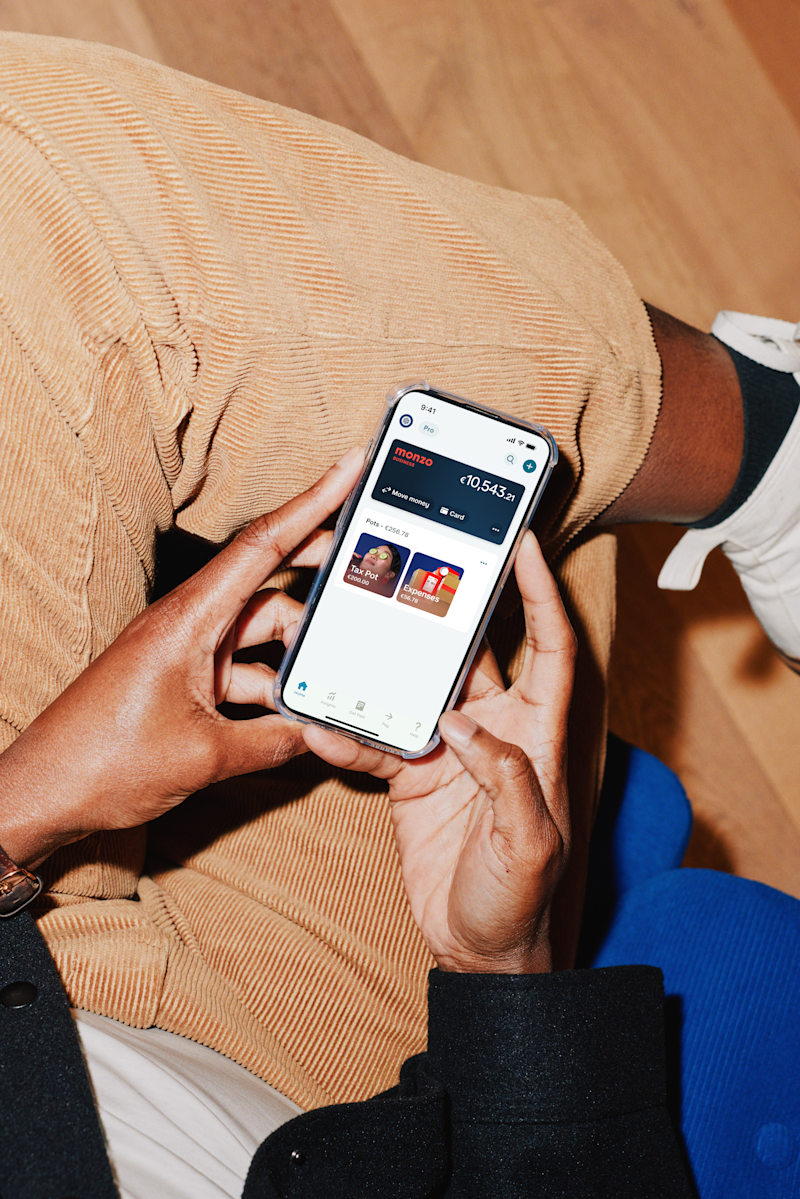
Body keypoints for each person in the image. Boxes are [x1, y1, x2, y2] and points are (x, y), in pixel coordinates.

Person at [0, 26, 796, 1195]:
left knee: (33, 192)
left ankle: (767, 448)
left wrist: (26, 808)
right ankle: (769, 448)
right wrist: (501, 966)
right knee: (492, 515)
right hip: (313, 1105)